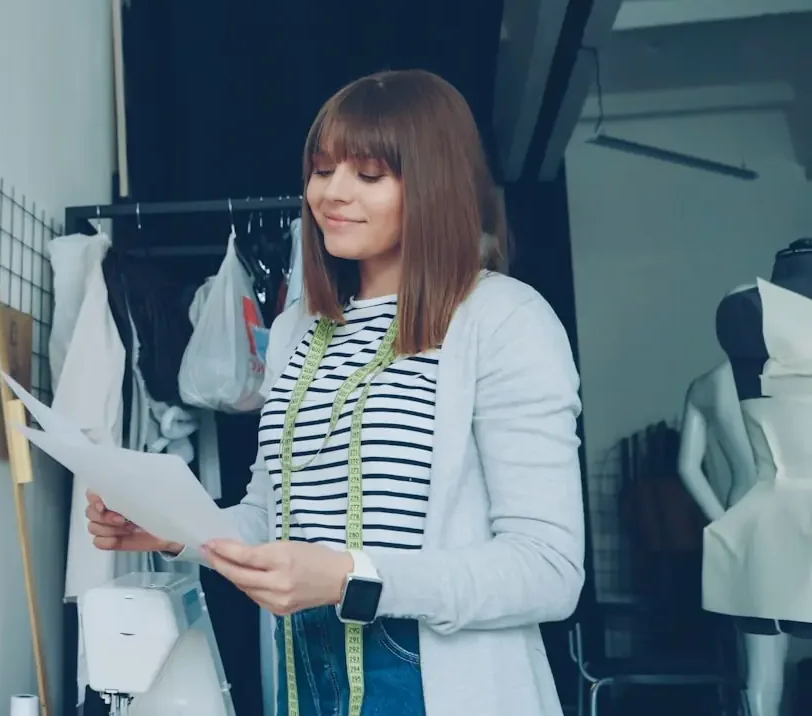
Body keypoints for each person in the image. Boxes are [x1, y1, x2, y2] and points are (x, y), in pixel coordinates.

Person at [86, 70, 584, 716]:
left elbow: (548, 569)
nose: (332, 193)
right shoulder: (298, 329)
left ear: (435, 185)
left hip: (429, 677)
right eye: (322, 170)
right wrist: (171, 527)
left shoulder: (504, 319)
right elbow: (269, 517)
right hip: (304, 664)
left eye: (368, 175)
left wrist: (353, 579)